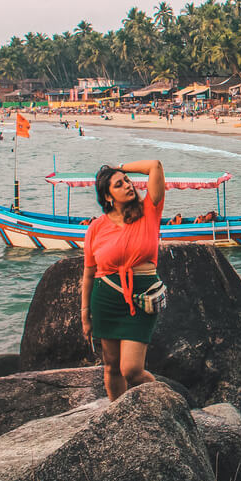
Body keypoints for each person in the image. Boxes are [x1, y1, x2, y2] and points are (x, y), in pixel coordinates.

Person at [80, 160, 166, 402]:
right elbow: (88, 273)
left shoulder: (149, 210)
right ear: (108, 196)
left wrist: (119, 168)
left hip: (142, 296)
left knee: (132, 370)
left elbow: (155, 166)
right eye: (119, 184)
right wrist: (85, 314)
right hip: (106, 298)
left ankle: (164, 405)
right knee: (111, 366)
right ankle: (117, 412)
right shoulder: (96, 228)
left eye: (127, 181)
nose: (128, 185)